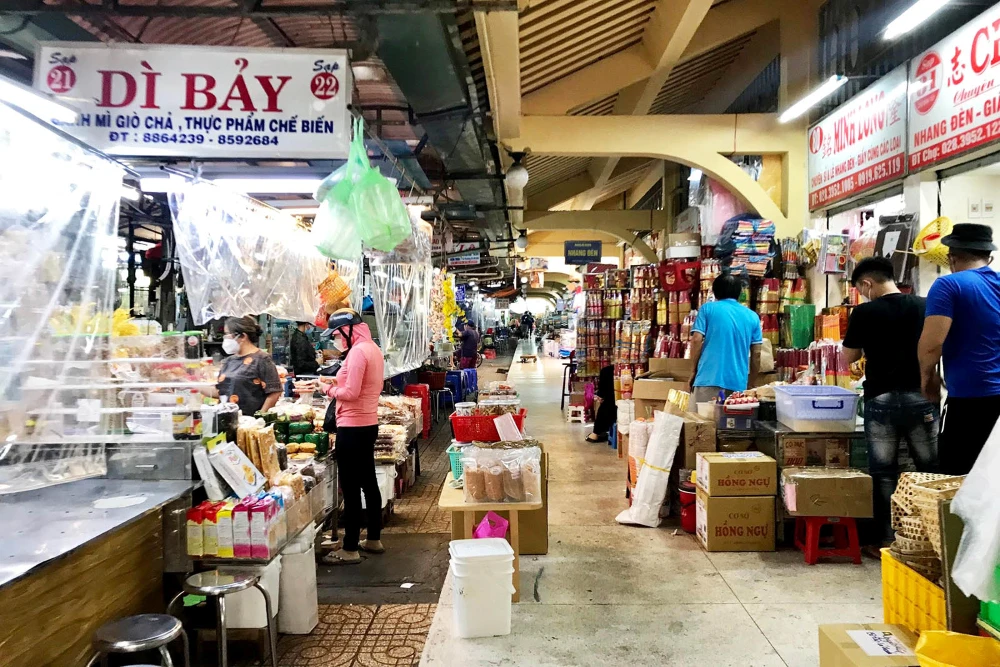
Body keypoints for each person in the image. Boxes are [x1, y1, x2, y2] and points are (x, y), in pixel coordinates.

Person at [842, 256, 938, 546]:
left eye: (860, 288)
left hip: (881, 399)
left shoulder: (864, 312)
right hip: (921, 396)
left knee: (884, 472)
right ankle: (930, 537)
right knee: (931, 470)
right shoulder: (925, 306)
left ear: (867, 283)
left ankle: (888, 540)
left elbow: (850, 358)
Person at [918, 223, 1000, 475]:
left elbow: (932, 344)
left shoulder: (949, 285)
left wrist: (927, 378)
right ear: (990, 257)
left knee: (959, 480)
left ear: (951, 257)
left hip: (972, 401)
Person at [318, 309, 385, 564]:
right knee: (368, 482)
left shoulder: (357, 352)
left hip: (353, 427)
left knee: (352, 487)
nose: (335, 339)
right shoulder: (371, 348)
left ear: (348, 330)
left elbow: (351, 392)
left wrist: (326, 388)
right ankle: (373, 538)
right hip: (367, 424)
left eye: (336, 334)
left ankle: (349, 548)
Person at [688, 273, 763, 404]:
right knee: (732, 422)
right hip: (738, 384)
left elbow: (696, 339)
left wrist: (693, 370)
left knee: (704, 422)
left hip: (708, 378)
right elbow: (756, 353)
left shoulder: (707, 309)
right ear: (739, 293)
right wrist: (751, 383)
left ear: (715, 292)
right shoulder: (752, 316)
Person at [206, 316, 282, 415]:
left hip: (250, 423)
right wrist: (190, 384)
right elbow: (220, 391)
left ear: (242, 336)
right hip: (227, 419)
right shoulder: (228, 361)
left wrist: (259, 417)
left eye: (227, 334)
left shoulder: (262, 359)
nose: (225, 338)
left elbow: (275, 391)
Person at [586, 364, 616, 443]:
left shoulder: (607, 371)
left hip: (609, 401)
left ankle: (596, 433)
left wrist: (600, 395)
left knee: (606, 405)